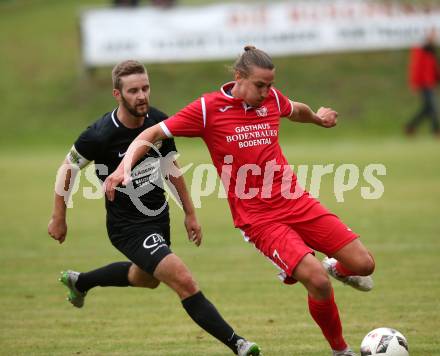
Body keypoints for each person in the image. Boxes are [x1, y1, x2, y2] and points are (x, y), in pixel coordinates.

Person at [104, 47, 376, 356]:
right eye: (260, 85)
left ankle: (338, 268)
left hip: (296, 200)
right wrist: (123, 167)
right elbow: (151, 133)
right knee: (317, 281)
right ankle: (341, 351)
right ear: (239, 78)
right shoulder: (208, 109)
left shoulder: (270, 99)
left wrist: (317, 118)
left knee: (364, 265)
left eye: (270, 85)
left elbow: (294, 109)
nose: (266, 92)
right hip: (259, 218)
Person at [47, 60, 260, 356]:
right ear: (117, 95)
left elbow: (171, 168)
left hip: (159, 219)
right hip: (127, 228)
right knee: (183, 280)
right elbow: (67, 168)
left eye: (145, 88)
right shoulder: (99, 134)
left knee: (147, 279)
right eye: (133, 90)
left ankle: (81, 281)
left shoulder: (157, 123)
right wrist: (59, 216)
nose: (142, 95)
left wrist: (190, 213)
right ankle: (238, 343)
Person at [405, 30, 440, 137]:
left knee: (427, 108)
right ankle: (436, 130)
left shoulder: (430, 50)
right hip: (423, 83)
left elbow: (433, 67)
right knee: (432, 107)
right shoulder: (420, 49)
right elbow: (415, 68)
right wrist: (414, 83)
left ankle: (410, 126)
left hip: (429, 82)